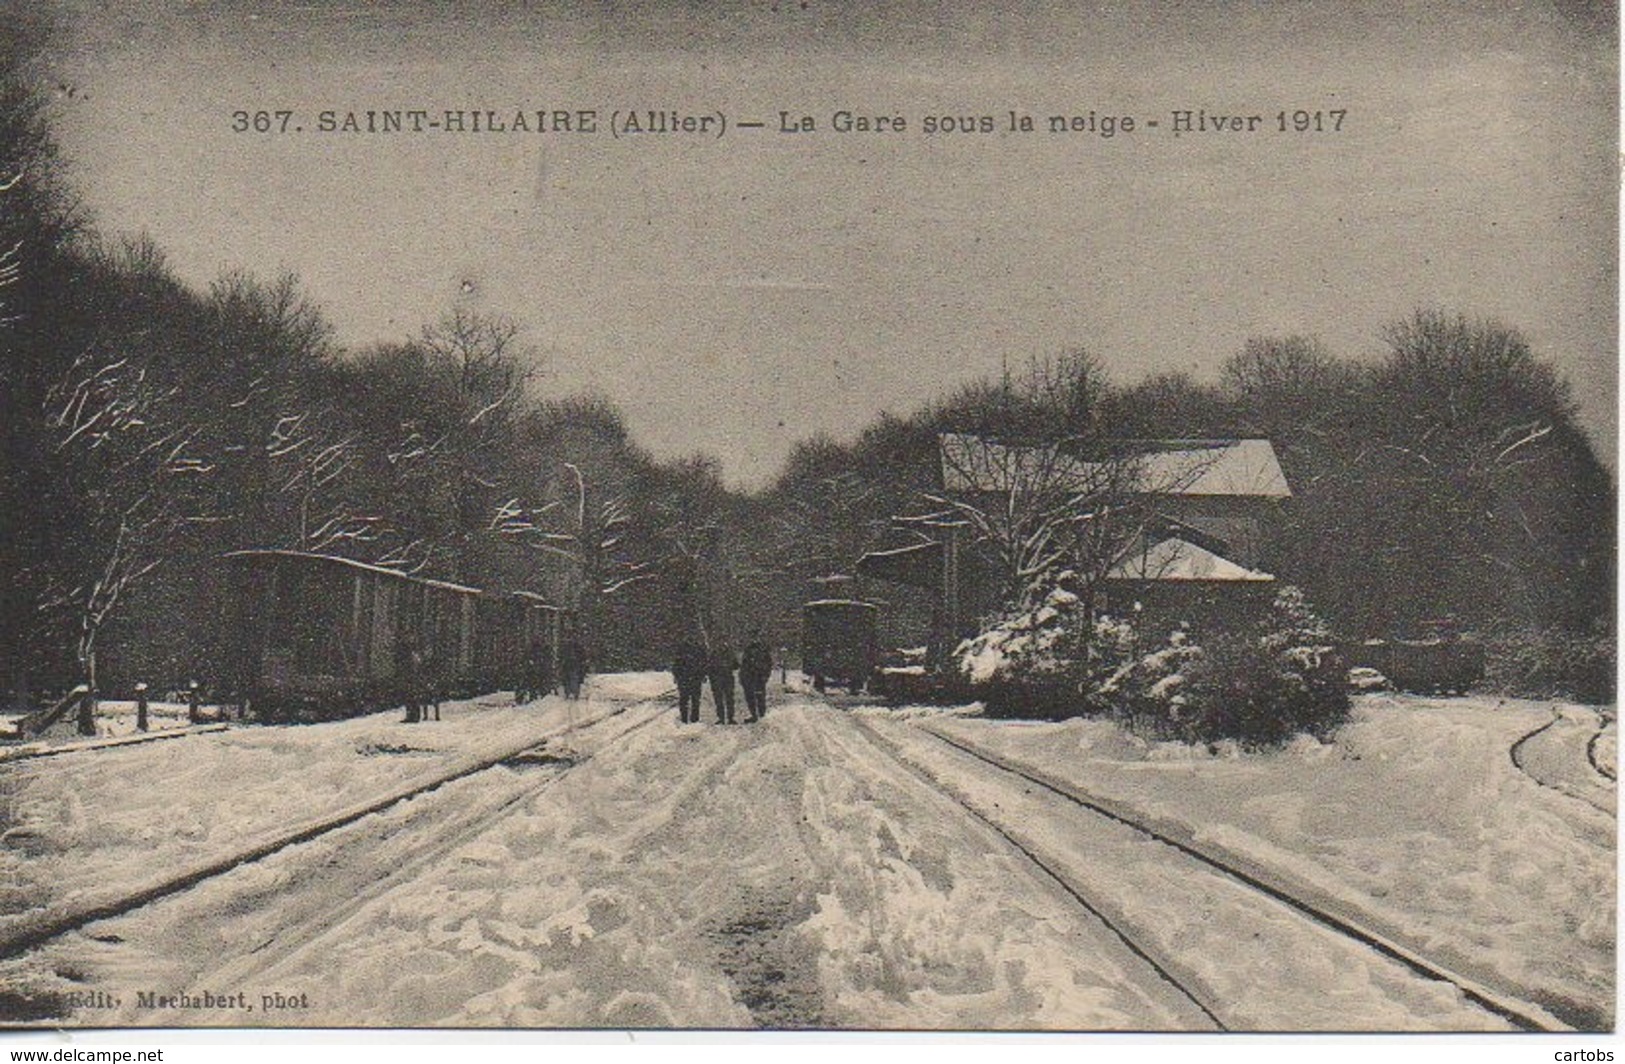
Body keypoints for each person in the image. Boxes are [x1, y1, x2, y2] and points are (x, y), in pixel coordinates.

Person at [672, 639, 707, 724]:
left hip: (688, 678)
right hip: (691, 678)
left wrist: (677, 676)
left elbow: (676, 665)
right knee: (692, 700)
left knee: (687, 700)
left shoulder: (682, 651)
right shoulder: (698, 650)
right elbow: (703, 664)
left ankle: (688, 719)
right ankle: (692, 719)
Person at [740, 637, 772, 723]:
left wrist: (766, 676)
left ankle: (762, 715)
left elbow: (769, 664)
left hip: (759, 677)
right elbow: (744, 665)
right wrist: (742, 678)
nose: (753, 639)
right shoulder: (748, 650)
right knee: (750, 697)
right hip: (749, 677)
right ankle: (754, 715)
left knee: (760, 697)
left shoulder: (763, 650)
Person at [707, 640, 739, 724]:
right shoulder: (728, 653)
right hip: (722, 679)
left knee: (725, 699)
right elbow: (736, 666)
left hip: (724, 679)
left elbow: (736, 665)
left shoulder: (715, 654)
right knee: (723, 699)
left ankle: (726, 718)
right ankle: (725, 718)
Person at [560, 635, 586, 700]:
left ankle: (569, 693)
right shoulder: (578, 647)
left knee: (568, 679)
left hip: (568, 665)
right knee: (573, 679)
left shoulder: (565, 647)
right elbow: (583, 656)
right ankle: (575, 693)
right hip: (574, 665)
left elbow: (561, 656)